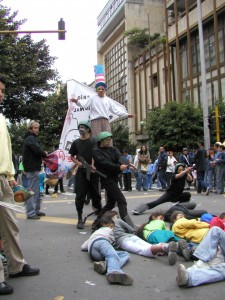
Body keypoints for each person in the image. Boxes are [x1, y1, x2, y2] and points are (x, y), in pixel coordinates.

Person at [0, 76, 40, 295]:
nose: (1, 94)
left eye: (3, 91)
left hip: (4, 179)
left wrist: (11, 175)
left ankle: (16, 265)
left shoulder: (1, 117)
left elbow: (4, 150)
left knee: (11, 224)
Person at [70, 65, 135, 138]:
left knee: (107, 138)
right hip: (95, 121)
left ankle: (107, 149)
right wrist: (77, 101)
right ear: (96, 90)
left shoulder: (108, 100)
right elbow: (84, 104)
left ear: (105, 90)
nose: (100, 90)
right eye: (99, 89)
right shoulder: (93, 98)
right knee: (96, 139)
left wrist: (127, 115)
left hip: (105, 121)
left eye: (102, 89)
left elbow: (116, 110)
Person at [92, 131, 135, 229]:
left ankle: (97, 222)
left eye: (109, 139)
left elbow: (120, 158)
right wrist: (119, 168)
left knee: (110, 203)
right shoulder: (96, 151)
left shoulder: (113, 149)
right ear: (101, 140)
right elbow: (104, 163)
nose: (109, 141)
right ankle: (127, 224)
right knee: (121, 200)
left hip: (115, 177)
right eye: (106, 140)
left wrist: (128, 165)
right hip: (106, 179)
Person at [103, 210, 179, 265]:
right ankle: (171, 246)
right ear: (113, 216)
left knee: (141, 250)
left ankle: (163, 248)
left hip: (121, 241)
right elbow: (131, 229)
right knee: (149, 246)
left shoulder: (104, 226)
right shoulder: (117, 220)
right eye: (116, 216)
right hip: (131, 236)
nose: (117, 217)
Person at [81, 216, 133, 286]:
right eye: (111, 226)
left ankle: (104, 265)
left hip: (93, 253)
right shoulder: (108, 229)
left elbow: (83, 247)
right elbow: (113, 241)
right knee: (112, 256)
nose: (112, 228)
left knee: (124, 254)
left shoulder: (94, 233)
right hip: (102, 242)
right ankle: (113, 271)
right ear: (104, 224)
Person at [69, 121, 102, 229]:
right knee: (80, 196)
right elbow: (72, 156)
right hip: (81, 172)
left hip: (92, 172)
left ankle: (99, 216)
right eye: (79, 127)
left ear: (88, 129)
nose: (81, 129)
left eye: (83, 127)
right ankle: (79, 218)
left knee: (96, 195)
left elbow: (95, 154)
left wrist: (92, 165)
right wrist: (78, 163)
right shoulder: (76, 143)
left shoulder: (93, 141)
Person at [22, 120, 47, 219]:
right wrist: (44, 153)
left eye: (38, 128)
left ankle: (35, 211)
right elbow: (37, 150)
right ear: (30, 129)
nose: (37, 130)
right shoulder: (30, 138)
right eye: (35, 128)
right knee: (32, 191)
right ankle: (31, 213)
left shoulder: (31, 138)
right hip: (31, 168)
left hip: (34, 167)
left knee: (36, 191)